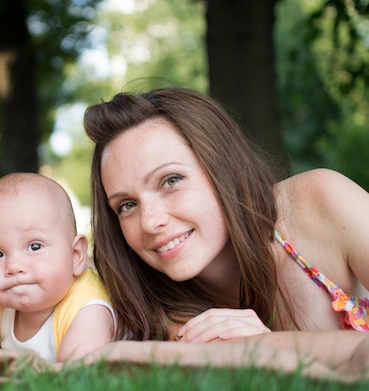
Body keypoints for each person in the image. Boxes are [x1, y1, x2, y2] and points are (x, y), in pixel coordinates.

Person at [83, 87, 369, 344]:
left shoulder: (320, 202)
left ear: (224, 168)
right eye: (127, 205)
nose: (150, 222)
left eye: (171, 181)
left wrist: (274, 348)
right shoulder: (152, 307)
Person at [0, 173, 115, 362]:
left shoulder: (88, 308)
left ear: (75, 256)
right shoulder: (2, 308)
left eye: (34, 247)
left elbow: (75, 374)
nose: (14, 267)